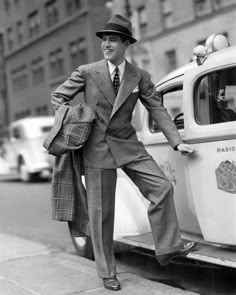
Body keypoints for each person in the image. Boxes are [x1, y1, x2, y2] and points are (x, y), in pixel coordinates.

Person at [51, 14, 196, 291]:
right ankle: (107, 272)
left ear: (125, 43)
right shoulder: (87, 71)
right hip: (96, 148)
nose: (106, 44)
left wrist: (176, 142)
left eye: (113, 40)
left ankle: (167, 248)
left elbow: (157, 109)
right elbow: (58, 97)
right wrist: (75, 119)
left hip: (128, 145)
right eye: (104, 40)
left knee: (161, 186)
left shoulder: (139, 76)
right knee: (102, 213)